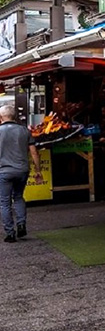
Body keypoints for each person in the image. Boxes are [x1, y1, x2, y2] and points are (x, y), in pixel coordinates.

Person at [0, 104, 42, 243]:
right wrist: (38, 170)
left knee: (4, 202)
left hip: (4, 171)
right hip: (22, 170)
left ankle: (10, 233)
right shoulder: (24, 131)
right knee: (18, 197)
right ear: (15, 116)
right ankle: (21, 224)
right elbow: (34, 152)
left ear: (1, 117)